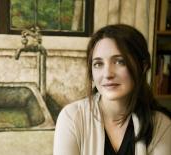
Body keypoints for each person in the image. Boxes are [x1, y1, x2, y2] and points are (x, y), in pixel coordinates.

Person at [53, 24, 171, 155]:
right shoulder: (72, 118)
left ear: (142, 67)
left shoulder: (161, 125)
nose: (107, 74)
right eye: (98, 64)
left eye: (120, 61)